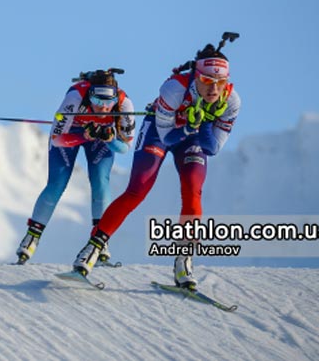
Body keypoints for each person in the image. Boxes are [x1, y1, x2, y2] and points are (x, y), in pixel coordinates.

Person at [70, 43, 241, 289]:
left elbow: (212, 148)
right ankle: (92, 248)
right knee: (137, 190)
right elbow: (167, 137)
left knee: (193, 190)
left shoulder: (231, 100)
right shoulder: (174, 89)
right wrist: (188, 126)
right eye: (206, 79)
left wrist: (202, 122)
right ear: (196, 76)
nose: (214, 88)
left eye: (220, 81)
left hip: (192, 138)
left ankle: (184, 260)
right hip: (161, 132)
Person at [15, 69, 136, 264]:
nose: (104, 108)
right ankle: (31, 238)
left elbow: (125, 147)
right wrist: (82, 136)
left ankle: (100, 242)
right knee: (56, 184)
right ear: (90, 95)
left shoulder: (124, 104)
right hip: (71, 134)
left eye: (108, 103)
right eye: (98, 101)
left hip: (101, 137)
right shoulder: (75, 98)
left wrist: (111, 138)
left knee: (100, 183)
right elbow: (56, 139)